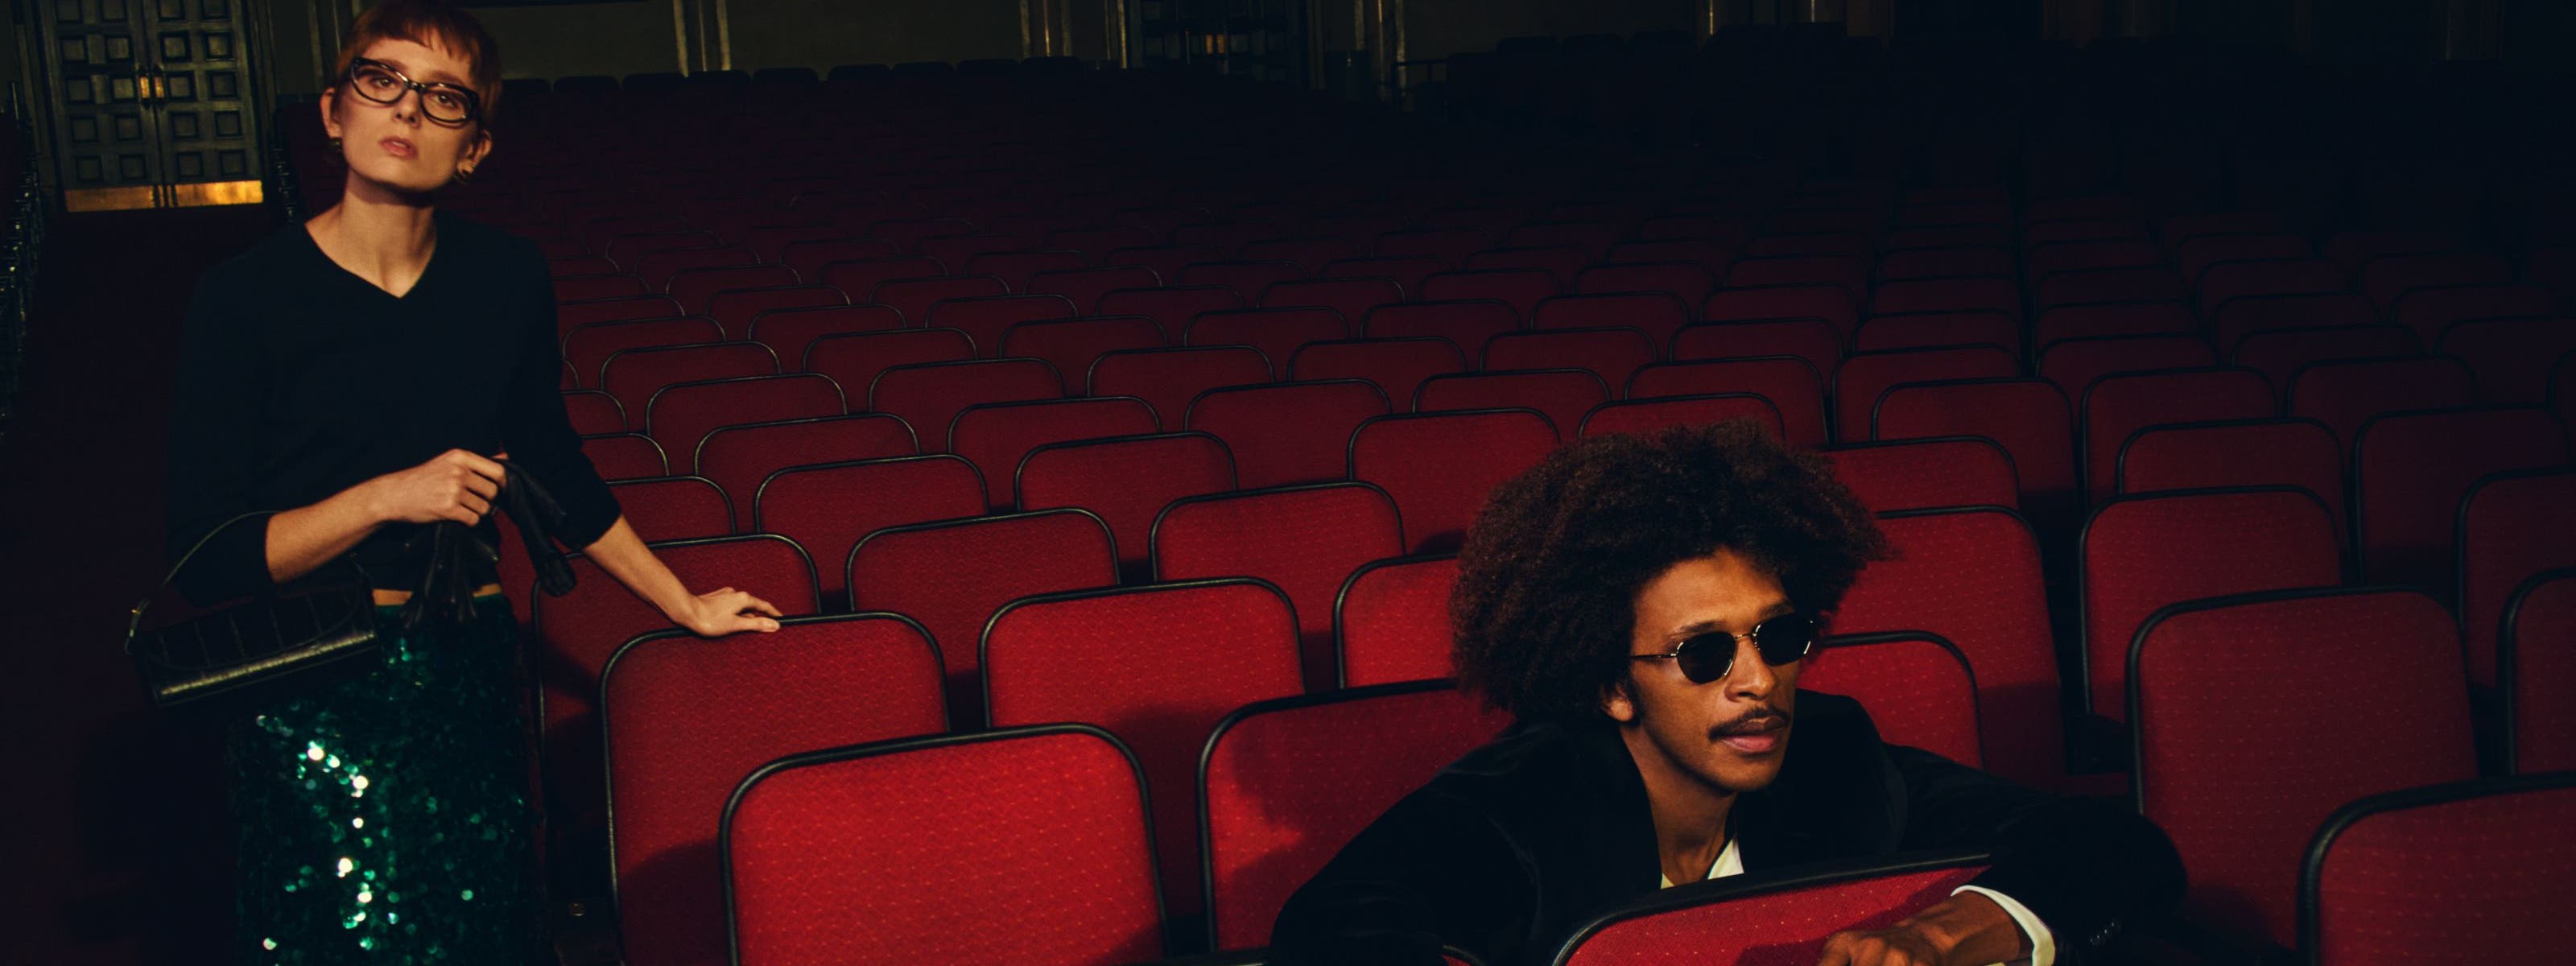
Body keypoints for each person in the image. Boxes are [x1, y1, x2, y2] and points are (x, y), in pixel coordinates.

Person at [161, 2, 782, 960]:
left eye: (443, 97)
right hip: (318, 683)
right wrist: (384, 496)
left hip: (468, 668)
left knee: (487, 927)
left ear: (475, 147)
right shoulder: (241, 298)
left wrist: (682, 603)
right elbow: (205, 560)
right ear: (333, 111)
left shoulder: (508, 277)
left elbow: (551, 461)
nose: (406, 108)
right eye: (381, 80)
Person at [1269, 420, 2185, 966]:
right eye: (1702, 653)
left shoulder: (1835, 756)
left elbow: (2110, 844)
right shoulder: (1520, 804)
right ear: (1608, 684)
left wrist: (1952, 931)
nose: (1758, 679)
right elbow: (1339, 921)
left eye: (1778, 636)